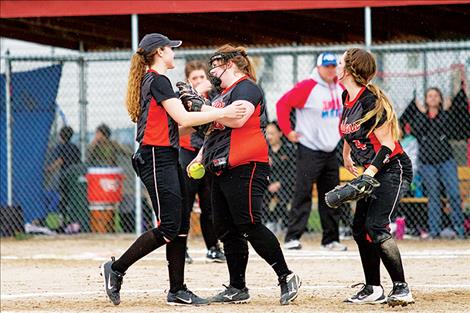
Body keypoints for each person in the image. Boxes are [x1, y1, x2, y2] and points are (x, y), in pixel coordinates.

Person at [100, 33, 246, 306]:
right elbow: (183, 117)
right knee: (168, 227)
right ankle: (116, 269)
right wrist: (221, 113)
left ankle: (177, 290)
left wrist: (209, 116)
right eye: (170, 49)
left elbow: (177, 127)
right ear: (159, 52)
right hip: (154, 157)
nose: (173, 53)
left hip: (167, 155)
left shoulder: (156, 81)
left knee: (180, 224)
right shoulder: (158, 80)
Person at [187, 44, 301, 305]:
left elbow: (237, 119)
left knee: (248, 223)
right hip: (220, 164)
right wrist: (200, 155)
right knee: (225, 228)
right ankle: (237, 287)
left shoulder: (247, 87)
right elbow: (215, 130)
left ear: (230, 65)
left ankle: (286, 276)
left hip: (247, 164)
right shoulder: (220, 96)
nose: (212, 71)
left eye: (216, 65)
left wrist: (202, 107)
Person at [336, 48, 414, 306]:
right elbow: (352, 129)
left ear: (349, 70)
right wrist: (347, 153)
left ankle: (402, 288)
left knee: (376, 225)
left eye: (340, 63)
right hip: (371, 172)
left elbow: (388, 144)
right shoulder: (347, 95)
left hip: (392, 168)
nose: (337, 67)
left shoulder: (371, 101)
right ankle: (373, 289)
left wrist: (369, 173)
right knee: (360, 229)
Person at [276, 52, 346, 251]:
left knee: (332, 195)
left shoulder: (340, 86)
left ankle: (331, 239)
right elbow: (282, 104)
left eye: (334, 66)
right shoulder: (308, 86)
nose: (331, 70)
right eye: (327, 66)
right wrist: (288, 131)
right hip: (309, 149)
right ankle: (292, 237)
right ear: (318, 67)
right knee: (303, 192)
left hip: (331, 149)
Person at [179, 60, 225, 264]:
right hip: (189, 153)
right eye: (194, 78)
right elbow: (182, 122)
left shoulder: (215, 97)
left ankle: (213, 247)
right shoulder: (182, 99)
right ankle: (181, 248)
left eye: (202, 77)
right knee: (185, 204)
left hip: (209, 154)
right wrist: (195, 92)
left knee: (210, 203)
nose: (200, 81)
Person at [406, 87, 465, 238]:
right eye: (429, 96)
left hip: (446, 160)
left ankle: (459, 228)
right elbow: (416, 130)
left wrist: (445, 111)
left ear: (440, 99)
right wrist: (421, 113)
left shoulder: (446, 115)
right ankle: (434, 230)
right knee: (434, 196)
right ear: (426, 100)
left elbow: (448, 128)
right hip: (427, 163)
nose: (432, 98)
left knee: (454, 194)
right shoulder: (420, 116)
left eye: (436, 96)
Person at [45, 126, 81, 230]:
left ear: (61, 136)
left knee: (63, 199)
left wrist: (49, 169)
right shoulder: (75, 147)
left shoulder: (61, 147)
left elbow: (60, 160)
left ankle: (63, 221)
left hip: (65, 177)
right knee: (73, 198)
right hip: (74, 177)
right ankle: (73, 221)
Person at [263, 121, 296, 233]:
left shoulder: (289, 150)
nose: (269, 137)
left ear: (280, 133)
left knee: (284, 197)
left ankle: (283, 223)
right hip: (268, 185)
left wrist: (280, 183)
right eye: (267, 133)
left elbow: (293, 172)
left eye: (272, 133)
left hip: (285, 185)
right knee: (260, 196)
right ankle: (269, 222)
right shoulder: (263, 151)